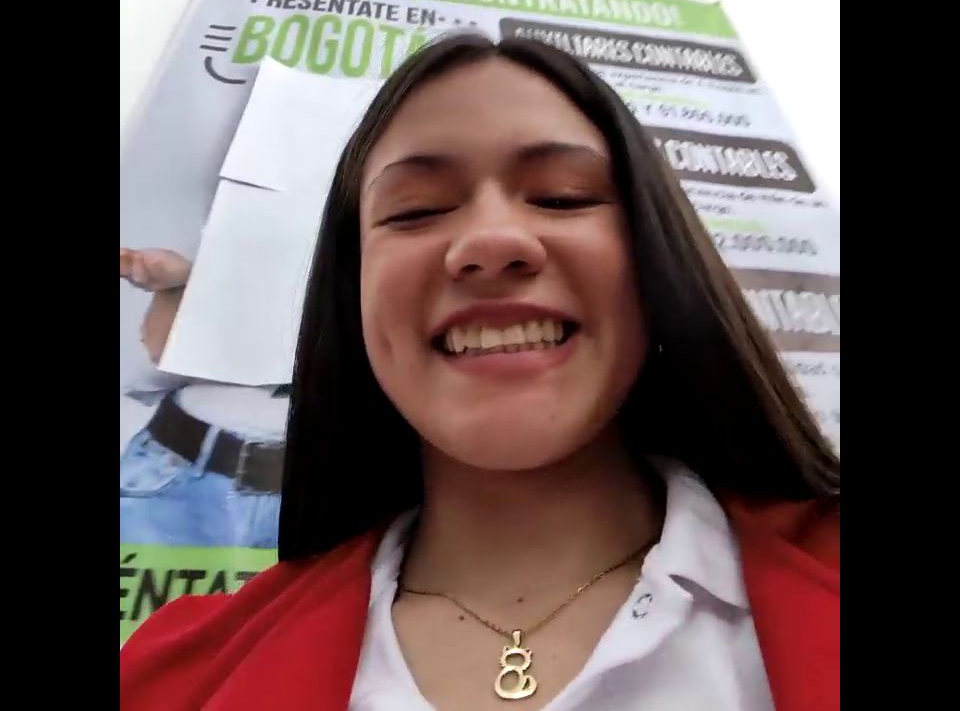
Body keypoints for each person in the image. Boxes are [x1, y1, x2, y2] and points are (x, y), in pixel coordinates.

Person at [120, 34, 839, 711]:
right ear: (352, 297)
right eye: (416, 211)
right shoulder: (169, 681)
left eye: (562, 196)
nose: (491, 241)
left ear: (657, 261)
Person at [120, 247, 288, 549]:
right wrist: (183, 284)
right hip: (178, 481)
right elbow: (159, 346)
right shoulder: (240, 229)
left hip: (332, 496)